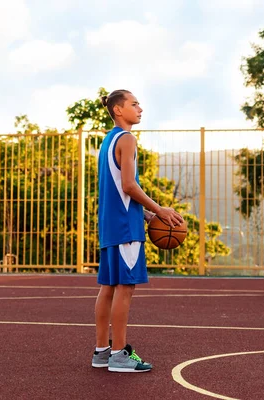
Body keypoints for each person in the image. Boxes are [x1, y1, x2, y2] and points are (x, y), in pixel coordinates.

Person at [91, 89, 184, 372]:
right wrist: (160, 210)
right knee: (125, 287)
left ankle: (102, 352)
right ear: (119, 110)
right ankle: (119, 355)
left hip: (111, 224)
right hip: (124, 229)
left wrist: (143, 214)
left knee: (108, 287)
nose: (140, 108)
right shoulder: (128, 138)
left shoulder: (108, 140)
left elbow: (119, 188)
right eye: (134, 104)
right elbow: (130, 185)